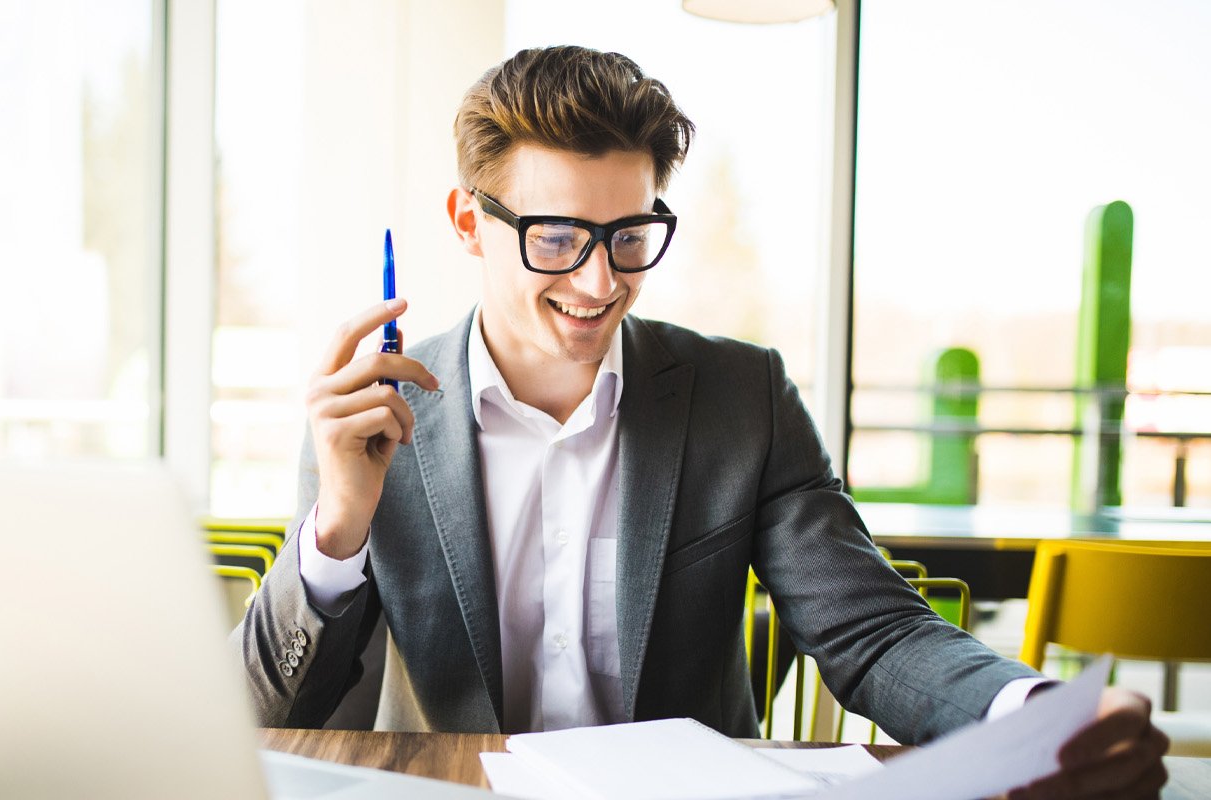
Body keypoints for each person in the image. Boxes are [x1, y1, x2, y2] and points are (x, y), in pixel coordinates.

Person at [235, 45, 1168, 798]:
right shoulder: (372, 415)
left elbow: (873, 632)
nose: (599, 284)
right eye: (555, 238)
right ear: (469, 222)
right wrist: (336, 531)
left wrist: (1037, 712)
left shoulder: (740, 396)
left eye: (629, 237)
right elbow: (268, 714)